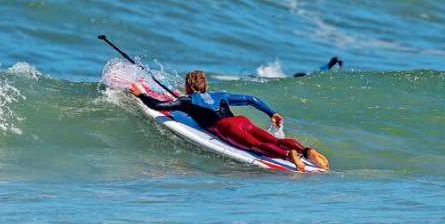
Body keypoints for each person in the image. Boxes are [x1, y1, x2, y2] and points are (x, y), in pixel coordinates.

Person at [129, 70, 328, 172]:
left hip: (225, 128)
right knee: (273, 140)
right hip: (242, 121)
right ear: (205, 85)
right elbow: (251, 99)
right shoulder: (220, 95)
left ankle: (287, 156)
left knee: (257, 146)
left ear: (188, 86)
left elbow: (158, 106)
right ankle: (305, 151)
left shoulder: (187, 101)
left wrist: (140, 95)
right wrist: (271, 113)